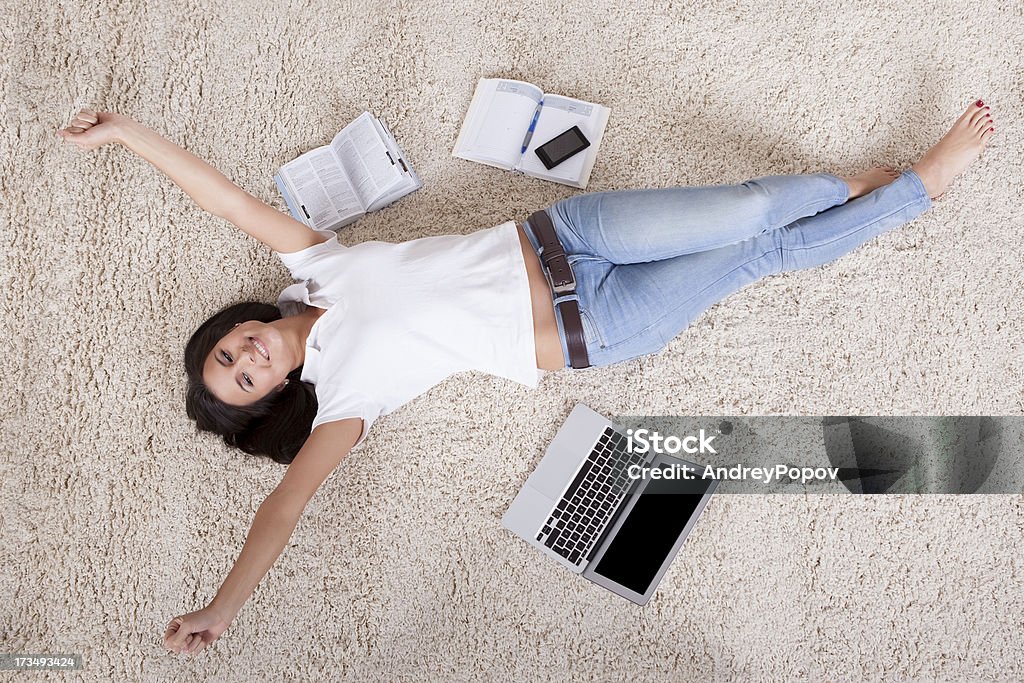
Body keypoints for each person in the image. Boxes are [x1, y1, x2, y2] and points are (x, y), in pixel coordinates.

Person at [57, 99, 995, 655]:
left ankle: (851, 187)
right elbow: (284, 513)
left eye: (228, 352)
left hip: (566, 236)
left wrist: (132, 135)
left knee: (753, 206)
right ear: (272, 402)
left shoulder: (319, 264)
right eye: (243, 384)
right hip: (602, 329)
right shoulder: (343, 404)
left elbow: (224, 197)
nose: (246, 360)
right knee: (761, 256)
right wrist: (223, 606)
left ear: (238, 325)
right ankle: (918, 189)